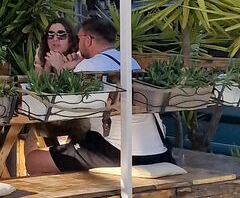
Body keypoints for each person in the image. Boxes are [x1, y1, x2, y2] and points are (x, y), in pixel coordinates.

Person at [32, 12, 172, 174]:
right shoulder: (130, 61)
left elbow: (64, 104)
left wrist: (59, 68)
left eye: (79, 39)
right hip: (156, 150)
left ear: (88, 40)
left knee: (34, 160)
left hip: (119, 151)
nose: (78, 44)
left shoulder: (89, 67)